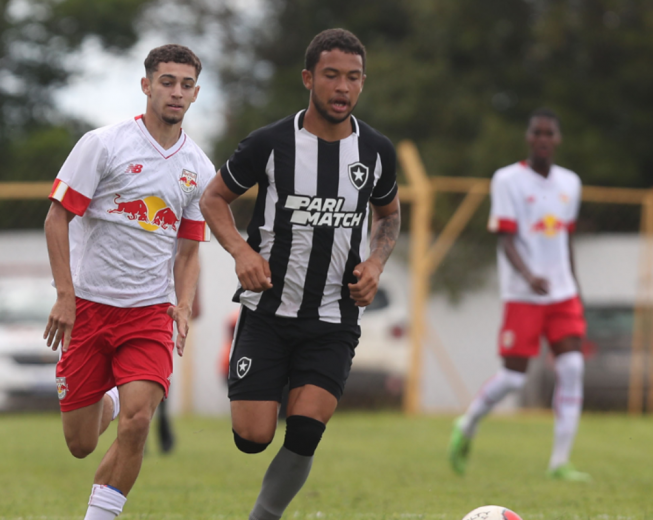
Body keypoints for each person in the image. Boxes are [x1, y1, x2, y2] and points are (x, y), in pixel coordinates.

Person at [200, 29, 401, 520]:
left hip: (334, 317)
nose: (342, 88)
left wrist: (375, 262)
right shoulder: (269, 143)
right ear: (309, 78)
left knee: (307, 430)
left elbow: (389, 215)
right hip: (267, 312)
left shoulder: (375, 150)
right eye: (332, 76)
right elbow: (212, 199)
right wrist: (241, 252)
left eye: (353, 78)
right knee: (253, 437)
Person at [43, 44, 214, 520]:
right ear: (146, 86)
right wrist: (65, 296)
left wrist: (182, 305)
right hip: (90, 310)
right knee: (80, 443)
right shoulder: (103, 144)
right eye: (166, 81)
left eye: (185, 85)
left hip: (148, 314)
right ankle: (114, 397)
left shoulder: (199, 169)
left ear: (196, 93)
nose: (175, 92)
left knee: (139, 422)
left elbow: (188, 251)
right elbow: (56, 218)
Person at [448, 108, 589, 482]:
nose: (543, 139)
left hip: (562, 295)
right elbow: (505, 236)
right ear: (529, 137)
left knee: (573, 368)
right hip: (523, 295)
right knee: (514, 379)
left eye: (550, 133)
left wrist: (575, 286)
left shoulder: (570, 183)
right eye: (537, 132)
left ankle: (559, 463)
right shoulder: (508, 180)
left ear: (557, 140)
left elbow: (566, 238)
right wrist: (529, 276)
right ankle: (468, 423)